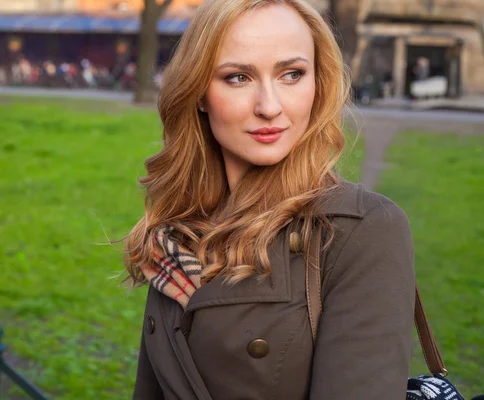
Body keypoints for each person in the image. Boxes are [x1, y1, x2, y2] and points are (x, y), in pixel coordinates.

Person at [124, 0, 415, 399]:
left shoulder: (361, 231)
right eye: (238, 77)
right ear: (198, 93)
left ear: (319, 83)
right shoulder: (179, 228)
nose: (270, 107)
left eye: (292, 74)